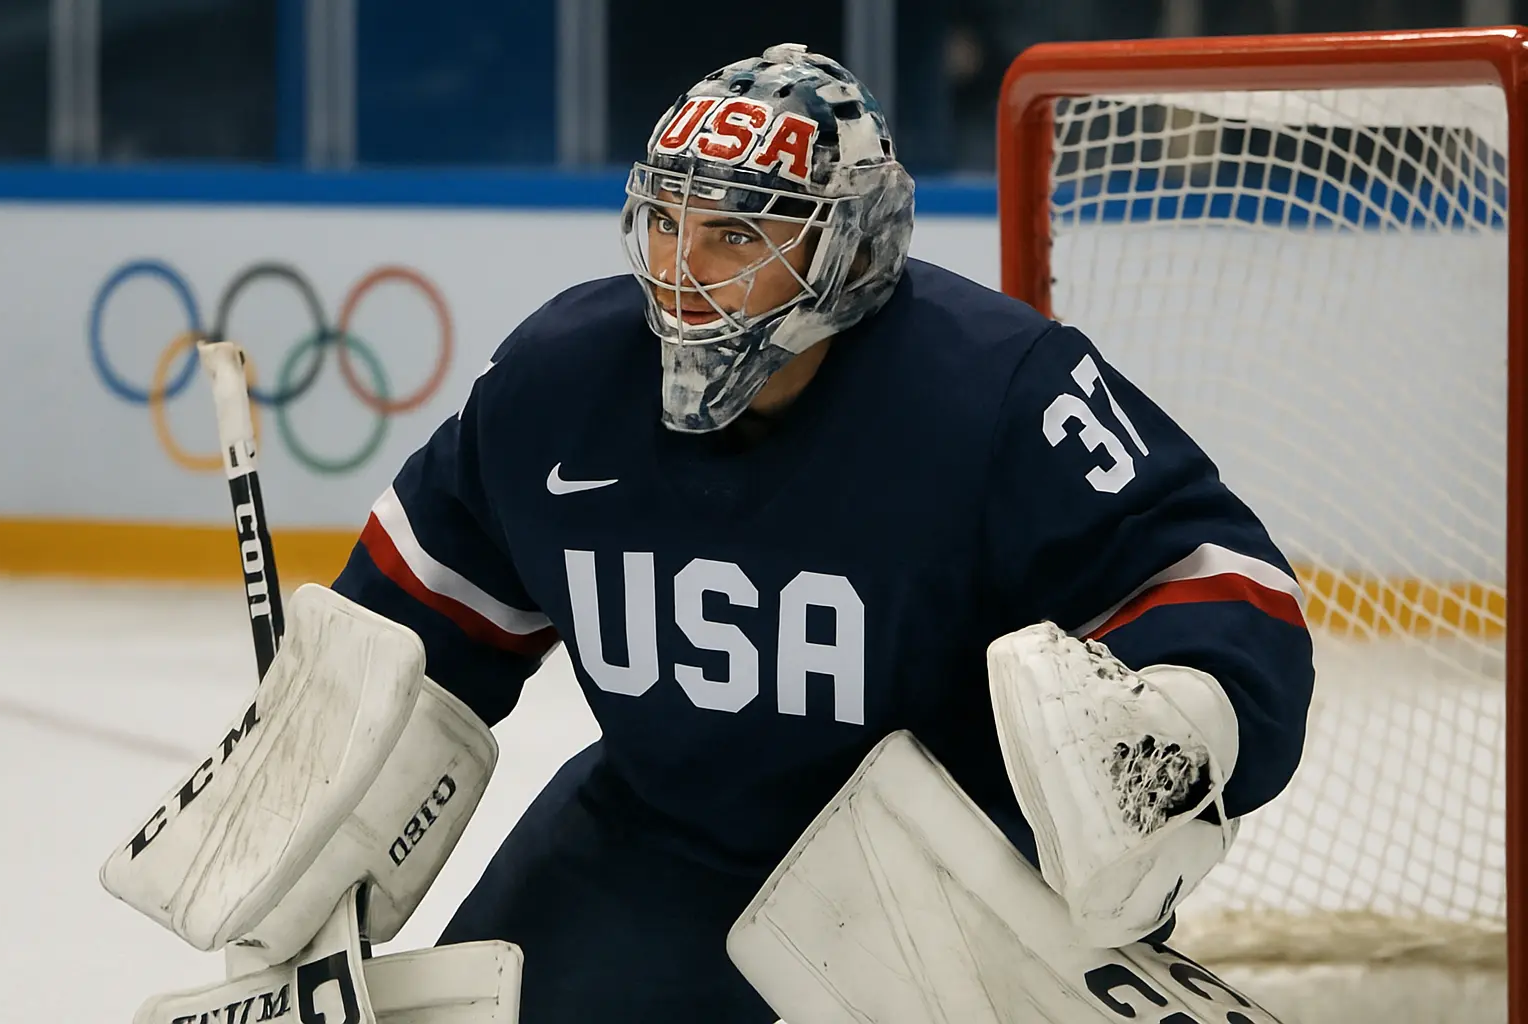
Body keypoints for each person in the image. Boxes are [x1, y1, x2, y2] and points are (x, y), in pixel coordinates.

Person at [323, 42, 1314, 1023]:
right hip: (662, 840)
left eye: (738, 236)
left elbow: (1223, 587)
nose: (682, 271)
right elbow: (412, 614)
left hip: (944, 864)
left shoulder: (999, 392)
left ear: (857, 249)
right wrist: (314, 786)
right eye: (666, 221)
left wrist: (1180, 721)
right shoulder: (558, 380)